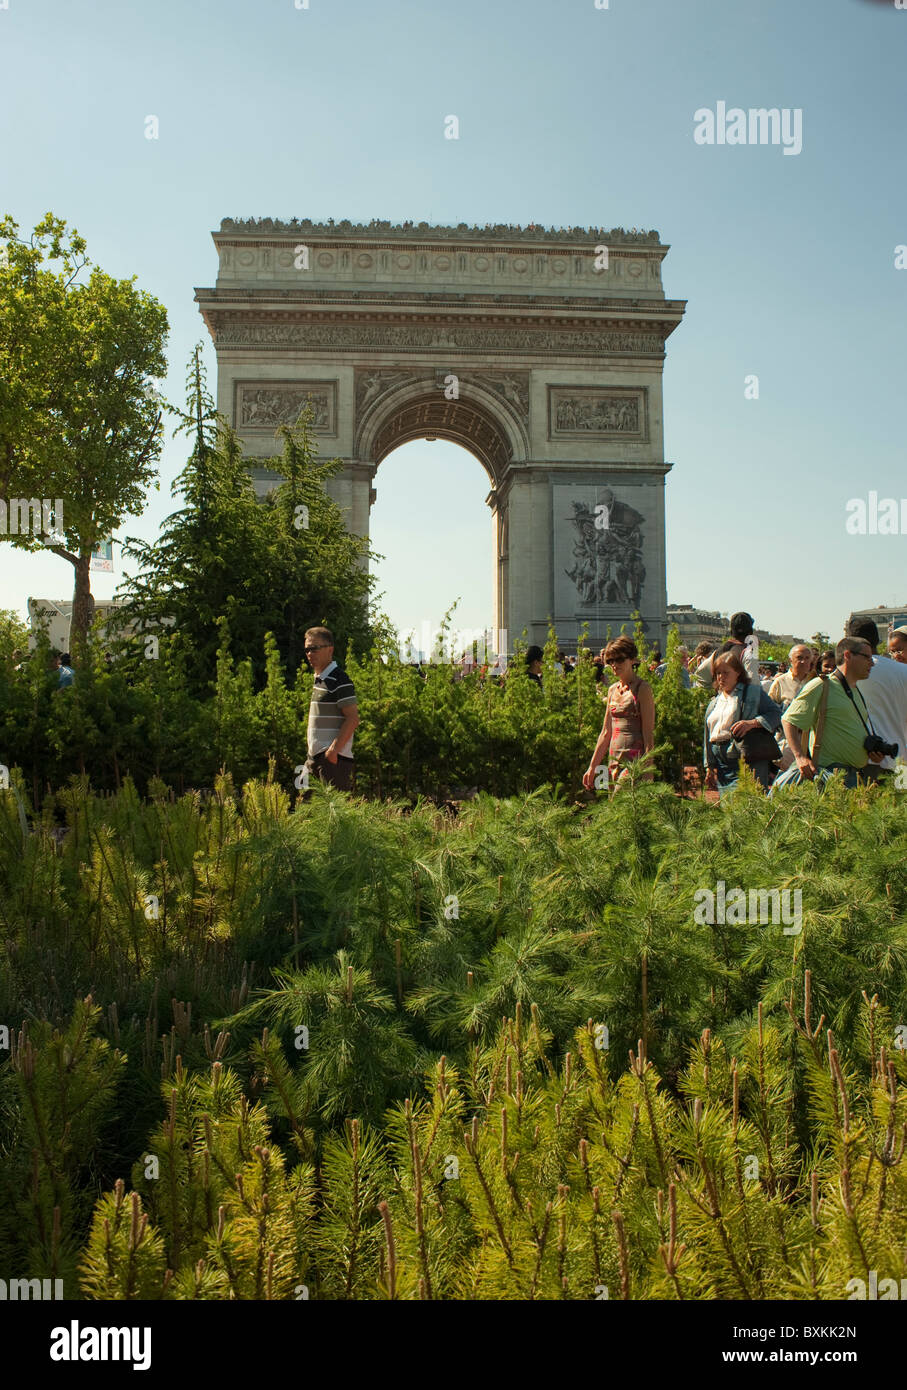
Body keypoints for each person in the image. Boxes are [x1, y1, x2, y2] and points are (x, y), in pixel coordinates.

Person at [778, 637, 885, 789]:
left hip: (852, 776)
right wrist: (800, 757)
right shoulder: (821, 685)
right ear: (847, 655)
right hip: (830, 776)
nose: (872, 663)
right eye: (866, 657)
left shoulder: (855, 690)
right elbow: (788, 720)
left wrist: (871, 752)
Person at [702, 651, 782, 796]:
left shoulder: (752, 693)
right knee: (728, 809)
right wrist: (709, 766)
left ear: (738, 672)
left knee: (749, 805)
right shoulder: (715, 701)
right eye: (718, 673)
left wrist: (752, 723)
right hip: (722, 767)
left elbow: (775, 714)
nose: (721, 677)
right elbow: (708, 734)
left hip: (746, 760)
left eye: (726, 672)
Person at [583, 636, 655, 789]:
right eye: (610, 661)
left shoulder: (643, 688)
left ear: (632, 660)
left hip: (635, 762)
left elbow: (648, 732)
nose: (614, 665)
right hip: (613, 760)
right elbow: (605, 732)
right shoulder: (612, 690)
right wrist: (592, 766)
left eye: (619, 660)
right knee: (613, 807)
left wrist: (649, 768)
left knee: (620, 798)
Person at [845, 618, 907, 777]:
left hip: (860, 764)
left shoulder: (846, 674)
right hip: (901, 764)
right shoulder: (902, 672)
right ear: (878, 641)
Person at [303, 626, 359, 791]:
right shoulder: (320, 680)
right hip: (314, 758)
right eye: (307, 649)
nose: (309, 654)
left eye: (314, 648)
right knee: (306, 810)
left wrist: (333, 752)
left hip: (332, 760)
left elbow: (353, 718)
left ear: (330, 649)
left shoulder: (340, 679)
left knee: (332, 814)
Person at [768, 645, 816, 769]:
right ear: (791, 660)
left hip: (811, 739)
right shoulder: (780, 682)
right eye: (799, 658)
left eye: (807, 658)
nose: (804, 661)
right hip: (787, 739)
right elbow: (769, 710)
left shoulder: (815, 682)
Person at [693, 614, 759, 688]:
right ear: (750, 632)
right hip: (739, 698)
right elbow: (754, 686)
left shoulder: (718, 652)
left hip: (722, 697)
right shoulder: (748, 653)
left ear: (731, 631)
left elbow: (700, 675)